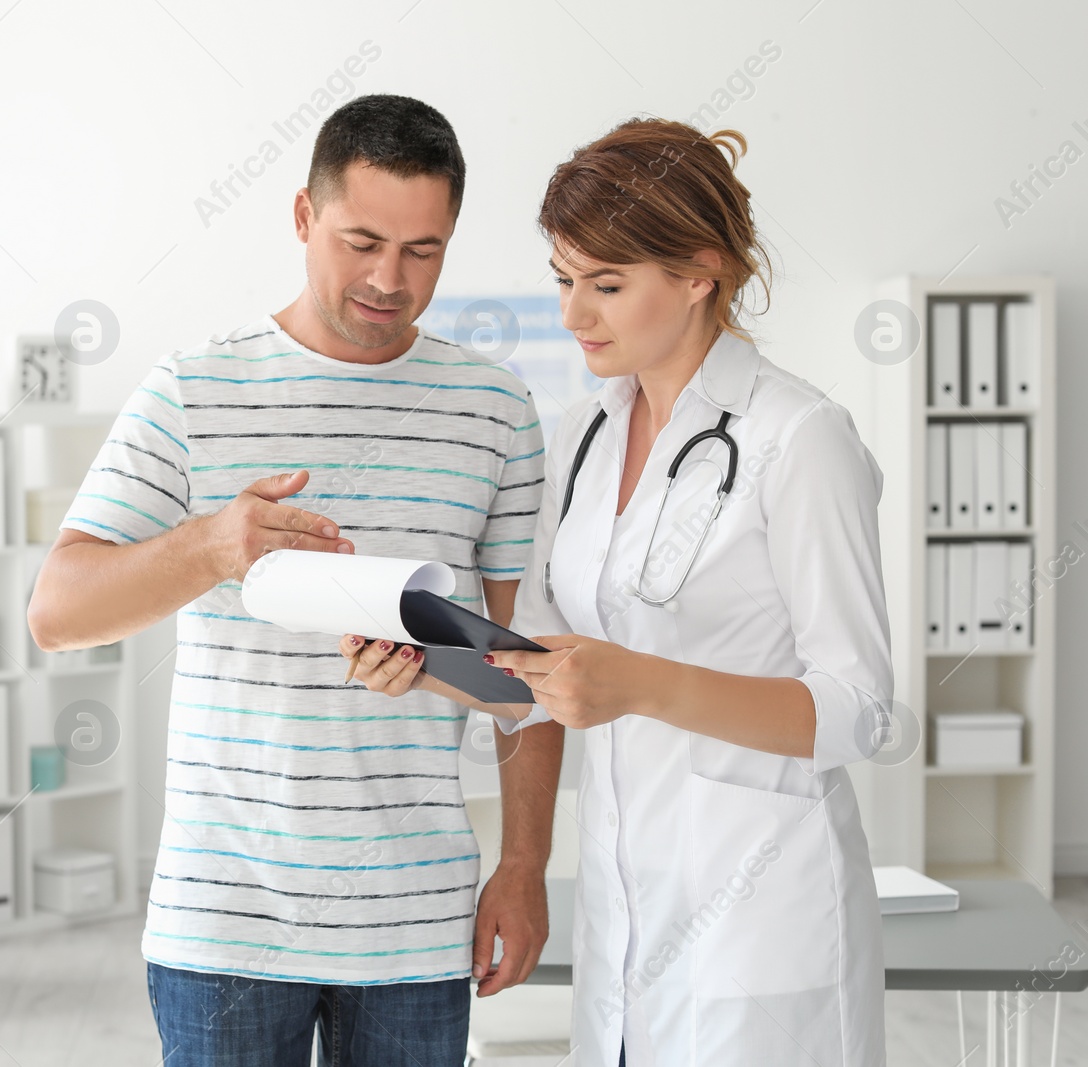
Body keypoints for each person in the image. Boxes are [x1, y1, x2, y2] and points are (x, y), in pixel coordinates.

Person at [28, 94, 564, 1066]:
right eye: (361, 241)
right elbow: (57, 613)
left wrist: (524, 860)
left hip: (412, 916)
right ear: (302, 217)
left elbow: (529, 672)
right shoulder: (194, 388)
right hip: (224, 920)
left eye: (423, 251)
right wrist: (207, 548)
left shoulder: (494, 411)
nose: (388, 280)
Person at [344, 118, 892, 1067]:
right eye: (565, 279)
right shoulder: (583, 435)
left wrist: (639, 683)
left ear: (698, 273)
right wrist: (428, 668)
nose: (573, 314)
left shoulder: (800, 440)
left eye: (605, 285)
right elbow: (544, 675)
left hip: (761, 924)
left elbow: (860, 711)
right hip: (628, 917)